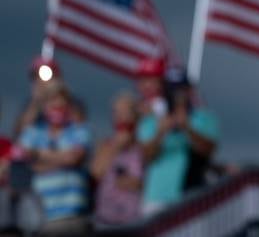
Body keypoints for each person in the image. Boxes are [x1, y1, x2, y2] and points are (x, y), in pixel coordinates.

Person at [138, 66, 218, 215]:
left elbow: (208, 151)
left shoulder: (204, 118)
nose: (176, 95)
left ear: (190, 91)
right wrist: (161, 132)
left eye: (181, 90)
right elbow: (147, 156)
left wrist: (187, 128)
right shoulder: (151, 121)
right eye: (172, 90)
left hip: (193, 196)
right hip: (158, 197)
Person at [18, 80, 91, 236]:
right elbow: (24, 155)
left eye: (61, 101)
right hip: (41, 217)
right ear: (44, 106)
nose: (56, 105)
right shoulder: (34, 132)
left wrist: (39, 156)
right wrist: (62, 159)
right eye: (51, 101)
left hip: (73, 216)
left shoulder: (79, 130)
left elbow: (74, 159)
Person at [90, 92, 143, 226]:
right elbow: (96, 172)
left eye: (125, 112)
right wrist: (116, 147)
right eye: (116, 112)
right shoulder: (106, 144)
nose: (120, 117)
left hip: (135, 221)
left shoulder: (143, 146)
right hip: (106, 220)